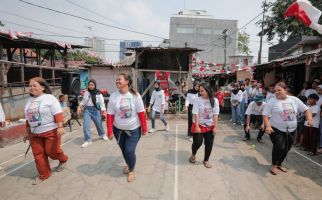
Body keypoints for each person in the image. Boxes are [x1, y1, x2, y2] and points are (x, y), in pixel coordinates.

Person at [23, 77, 68, 185]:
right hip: (35, 133)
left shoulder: (49, 98)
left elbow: (57, 113)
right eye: (30, 86)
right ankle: (44, 174)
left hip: (51, 130)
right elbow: (28, 118)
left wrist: (60, 127)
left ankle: (63, 159)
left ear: (42, 87)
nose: (32, 88)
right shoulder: (29, 101)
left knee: (52, 152)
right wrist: (27, 132)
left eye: (34, 85)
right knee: (38, 154)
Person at [263, 82, 312, 175]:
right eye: (275, 91)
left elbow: (306, 109)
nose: (276, 92)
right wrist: (268, 126)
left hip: (292, 129)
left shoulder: (294, 100)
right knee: (279, 147)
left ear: (285, 90)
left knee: (287, 148)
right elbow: (265, 115)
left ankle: (279, 164)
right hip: (276, 128)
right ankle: (274, 165)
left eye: (279, 90)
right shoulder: (272, 101)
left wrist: (309, 119)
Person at [106, 73, 147, 182]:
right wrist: (110, 131)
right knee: (124, 151)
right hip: (118, 130)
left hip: (134, 130)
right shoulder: (113, 96)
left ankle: (132, 170)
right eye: (116, 80)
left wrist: (144, 128)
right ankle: (129, 165)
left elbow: (141, 113)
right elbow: (109, 115)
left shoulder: (135, 96)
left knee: (129, 150)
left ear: (127, 81)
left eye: (119, 79)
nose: (117, 81)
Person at [189, 83, 219, 168]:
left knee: (209, 144)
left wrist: (215, 127)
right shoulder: (197, 100)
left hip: (210, 125)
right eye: (200, 90)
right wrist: (197, 126)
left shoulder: (214, 100)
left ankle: (206, 160)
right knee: (197, 142)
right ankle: (193, 154)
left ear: (207, 90)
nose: (200, 92)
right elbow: (196, 113)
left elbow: (215, 114)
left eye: (202, 90)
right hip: (199, 124)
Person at [77, 79, 107, 148]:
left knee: (99, 124)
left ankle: (102, 134)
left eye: (92, 85)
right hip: (87, 110)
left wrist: (103, 112)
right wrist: (79, 106)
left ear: (95, 85)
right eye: (89, 85)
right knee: (86, 125)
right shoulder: (86, 92)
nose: (91, 86)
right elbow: (84, 101)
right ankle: (88, 140)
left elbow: (102, 104)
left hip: (96, 110)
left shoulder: (98, 93)